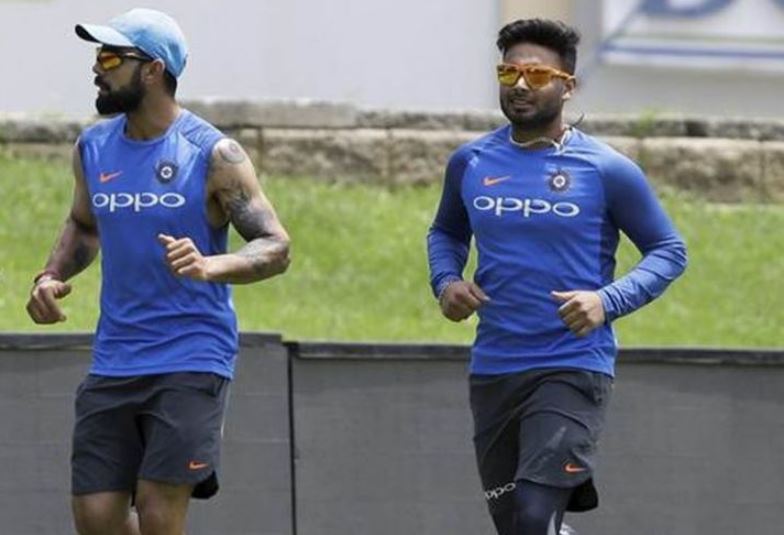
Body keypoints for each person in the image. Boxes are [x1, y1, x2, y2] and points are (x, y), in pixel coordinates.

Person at [25, 8, 290, 535]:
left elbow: (276, 246)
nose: (96, 68)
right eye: (98, 56)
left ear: (152, 70)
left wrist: (211, 265)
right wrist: (49, 276)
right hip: (115, 357)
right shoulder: (93, 147)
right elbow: (84, 226)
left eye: (110, 58)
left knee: (157, 511)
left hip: (192, 356)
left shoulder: (214, 153)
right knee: (96, 518)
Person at [427, 18, 687, 535]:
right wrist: (446, 282)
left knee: (533, 517)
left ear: (568, 86)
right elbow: (446, 232)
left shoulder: (607, 170)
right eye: (509, 72)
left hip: (571, 366)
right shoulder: (471, 161)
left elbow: (668, 251)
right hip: (494, 368)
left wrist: (606, 301)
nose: (520, 84)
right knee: (515, 527)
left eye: (537, 74)